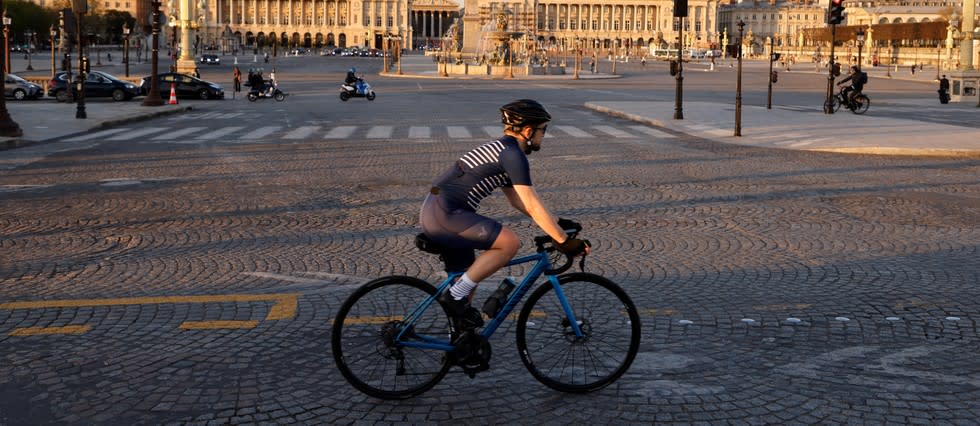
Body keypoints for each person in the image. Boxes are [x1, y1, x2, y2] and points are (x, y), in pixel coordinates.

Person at [419, 100, 590, 328]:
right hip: (447, 214)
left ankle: (461, 345)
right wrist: (563, 241)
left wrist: (558, 223)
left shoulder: (503, 150)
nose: (543, 135)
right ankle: (453, 296)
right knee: (509, 243)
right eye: (543, 130)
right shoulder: (512, 155)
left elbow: (518, 201)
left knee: (468, 281)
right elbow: (531, 205)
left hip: (438, 210)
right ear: (529, 131)